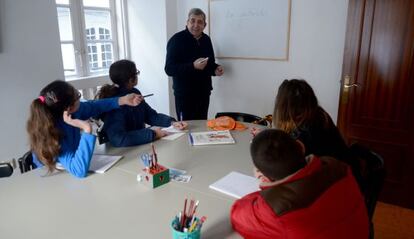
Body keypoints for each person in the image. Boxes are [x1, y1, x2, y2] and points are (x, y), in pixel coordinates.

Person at [231, 129, 369, 239]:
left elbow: (237, 215)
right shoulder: (336, 166)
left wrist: (265, 186)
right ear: (301, 146)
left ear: (262, 175)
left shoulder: (274, 209)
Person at [27, 80, 140, 178]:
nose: (80, 100)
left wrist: (123, 100)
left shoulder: (73, 112)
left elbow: (95, 106)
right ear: (68, 108)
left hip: (69, 168)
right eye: (78, 96)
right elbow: (79, 170)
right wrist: (87, 128)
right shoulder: (55, 135)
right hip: (52, 178)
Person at [252, 79, 350, 162]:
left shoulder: (304, 133)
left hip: (332, 178)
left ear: (283, 107)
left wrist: (263, 141)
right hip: (344, 168)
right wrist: (266, 136)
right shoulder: (318, 113)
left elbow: (284, 164)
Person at [96, 59, 187, 147]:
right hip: (122, 152)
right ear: (131, 79)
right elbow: (119, 139)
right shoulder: (116, 103)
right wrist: (154, 134)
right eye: (136, 72)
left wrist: (171, 123)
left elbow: (150, 116)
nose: (137, 75)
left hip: (138, 145)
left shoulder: (134, 92)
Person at [165, 8, 224, 120]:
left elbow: (209, 63)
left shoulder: (206, 39)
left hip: (203, 93)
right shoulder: (176, 40)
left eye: (200, 22)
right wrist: (192, 66)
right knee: (187, 128)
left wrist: (216, 69)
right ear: (187, 22)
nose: (196, 25)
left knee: (202, 127)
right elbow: (169, 69)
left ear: (204, 25)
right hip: (184, 95)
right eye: (192, 21)